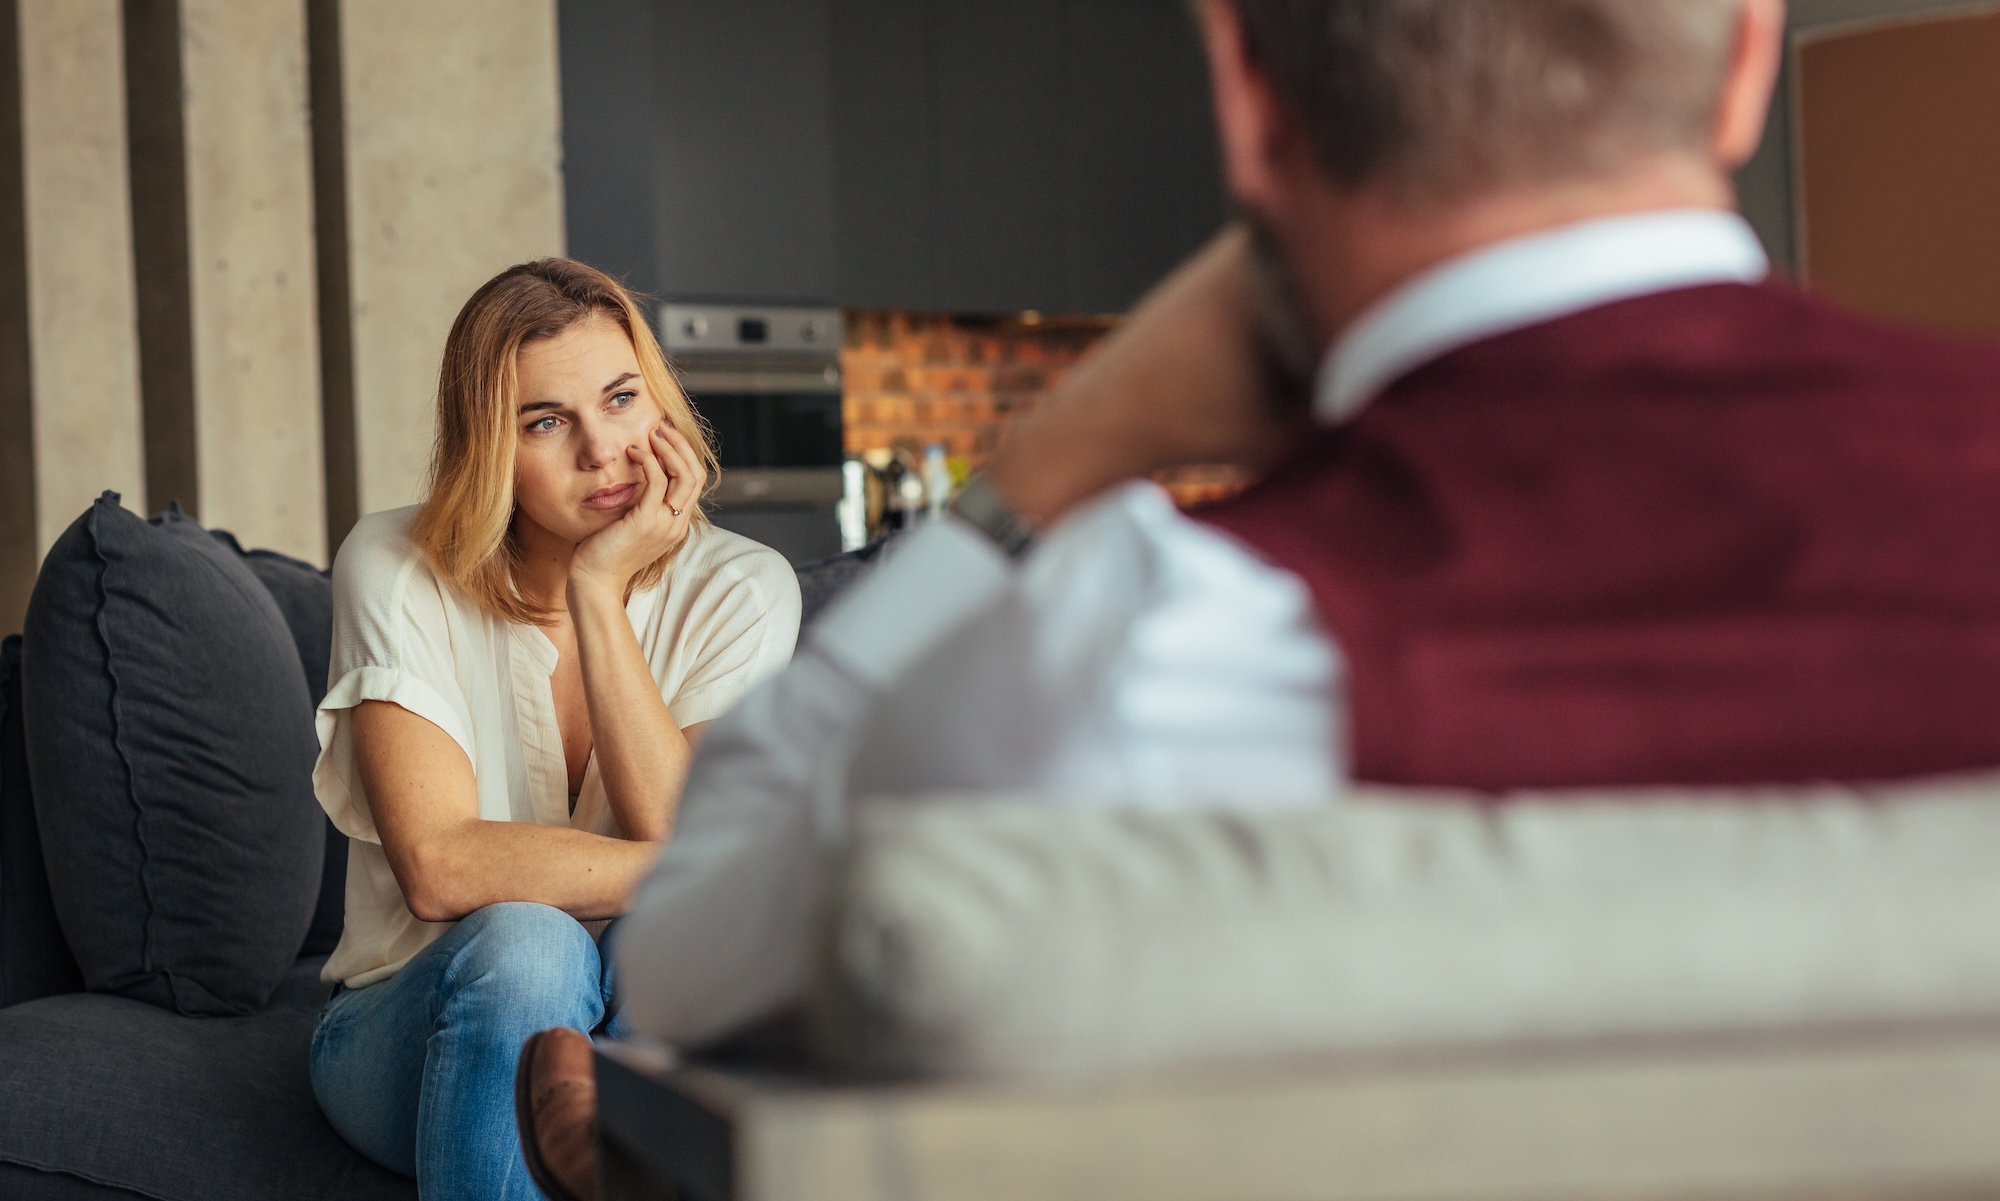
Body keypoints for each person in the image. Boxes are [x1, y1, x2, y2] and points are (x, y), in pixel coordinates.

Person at [605, 0, 2000, 1079]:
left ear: (1245, 95)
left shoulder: (1144, 636)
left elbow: (681, 957)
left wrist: (1042, 468)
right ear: (1749, 56)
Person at [308, 258, 801, 1201]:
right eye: (545, 421)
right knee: (531, 945)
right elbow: (440, 867)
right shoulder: (393, 563)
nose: (604, 450)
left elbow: (675, 832)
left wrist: (597, 594)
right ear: (488, 447)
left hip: (636, 1020)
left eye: (621, 398)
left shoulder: (743, 587)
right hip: (414, 1020)